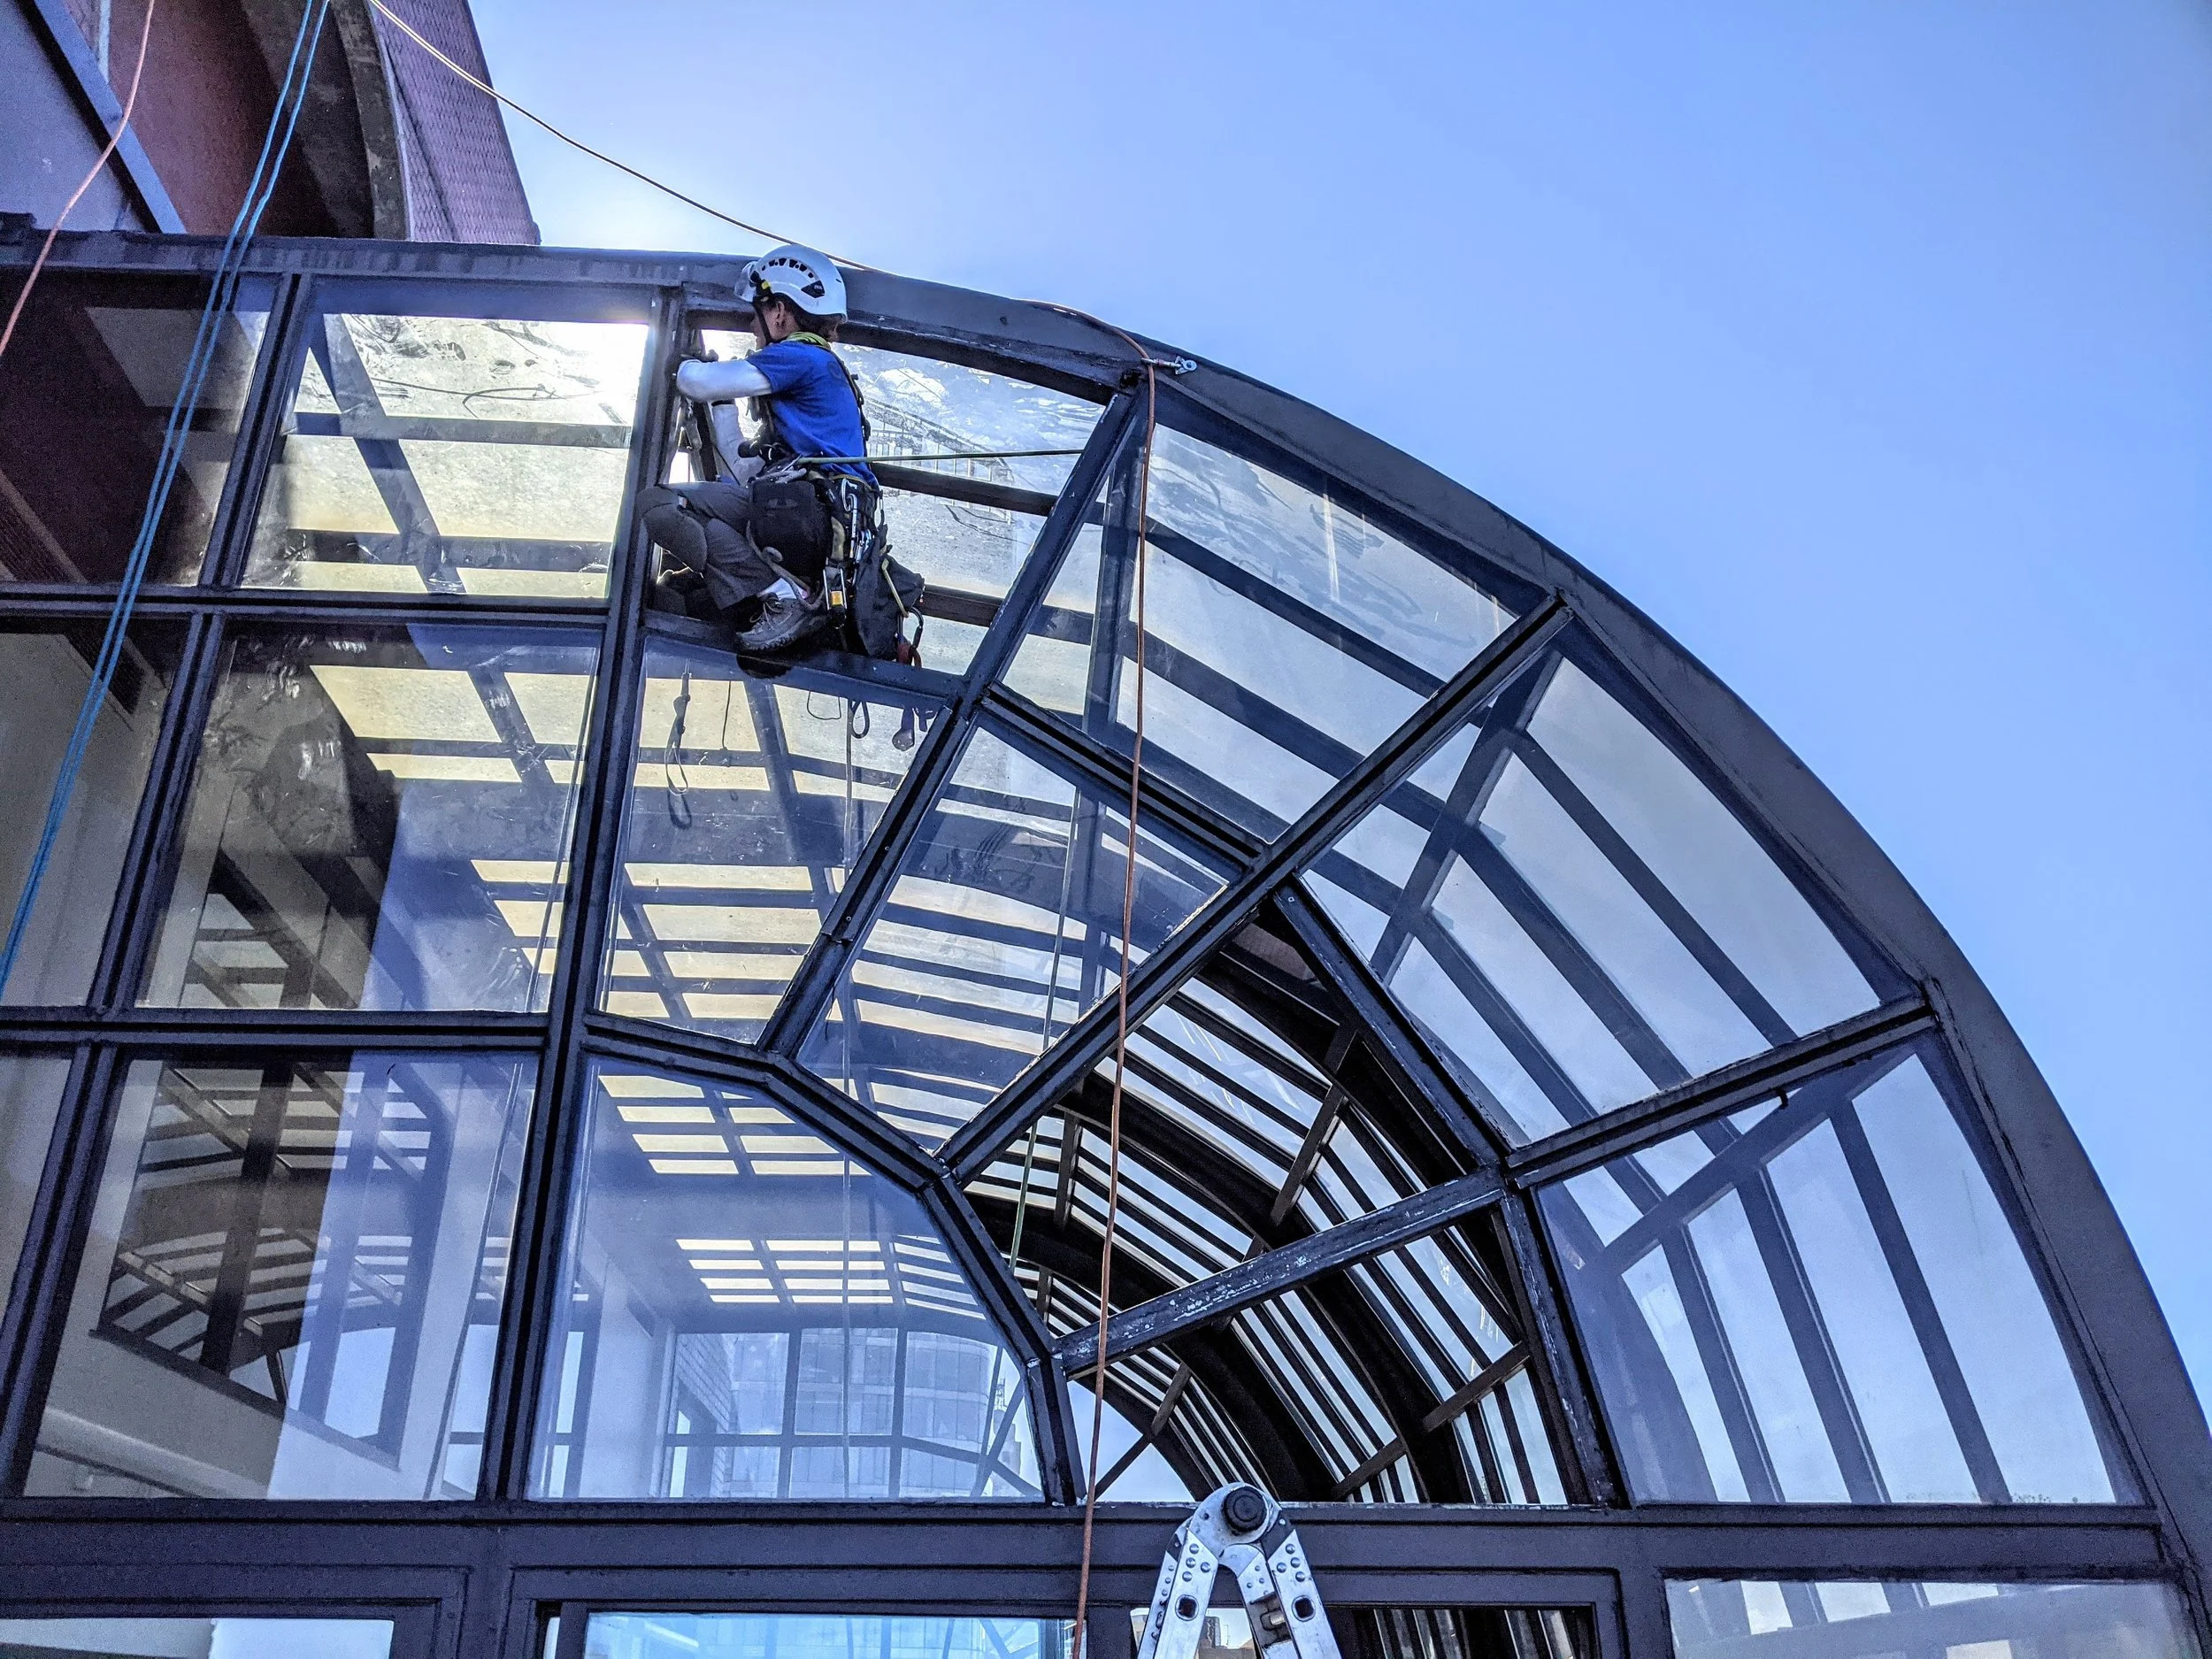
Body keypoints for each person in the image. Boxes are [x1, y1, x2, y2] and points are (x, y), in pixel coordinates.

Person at [635, 243, 876, 652]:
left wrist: (683, 365)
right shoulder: (822, 370)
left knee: (658, 506)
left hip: (808, 516)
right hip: (813, 515)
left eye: (756, 312)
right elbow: (745, 473)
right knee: (687, 513)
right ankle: (774, 591)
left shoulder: (801, 357)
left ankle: (786, 597)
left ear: (779, 311)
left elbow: (697, 383)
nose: (752, 325)